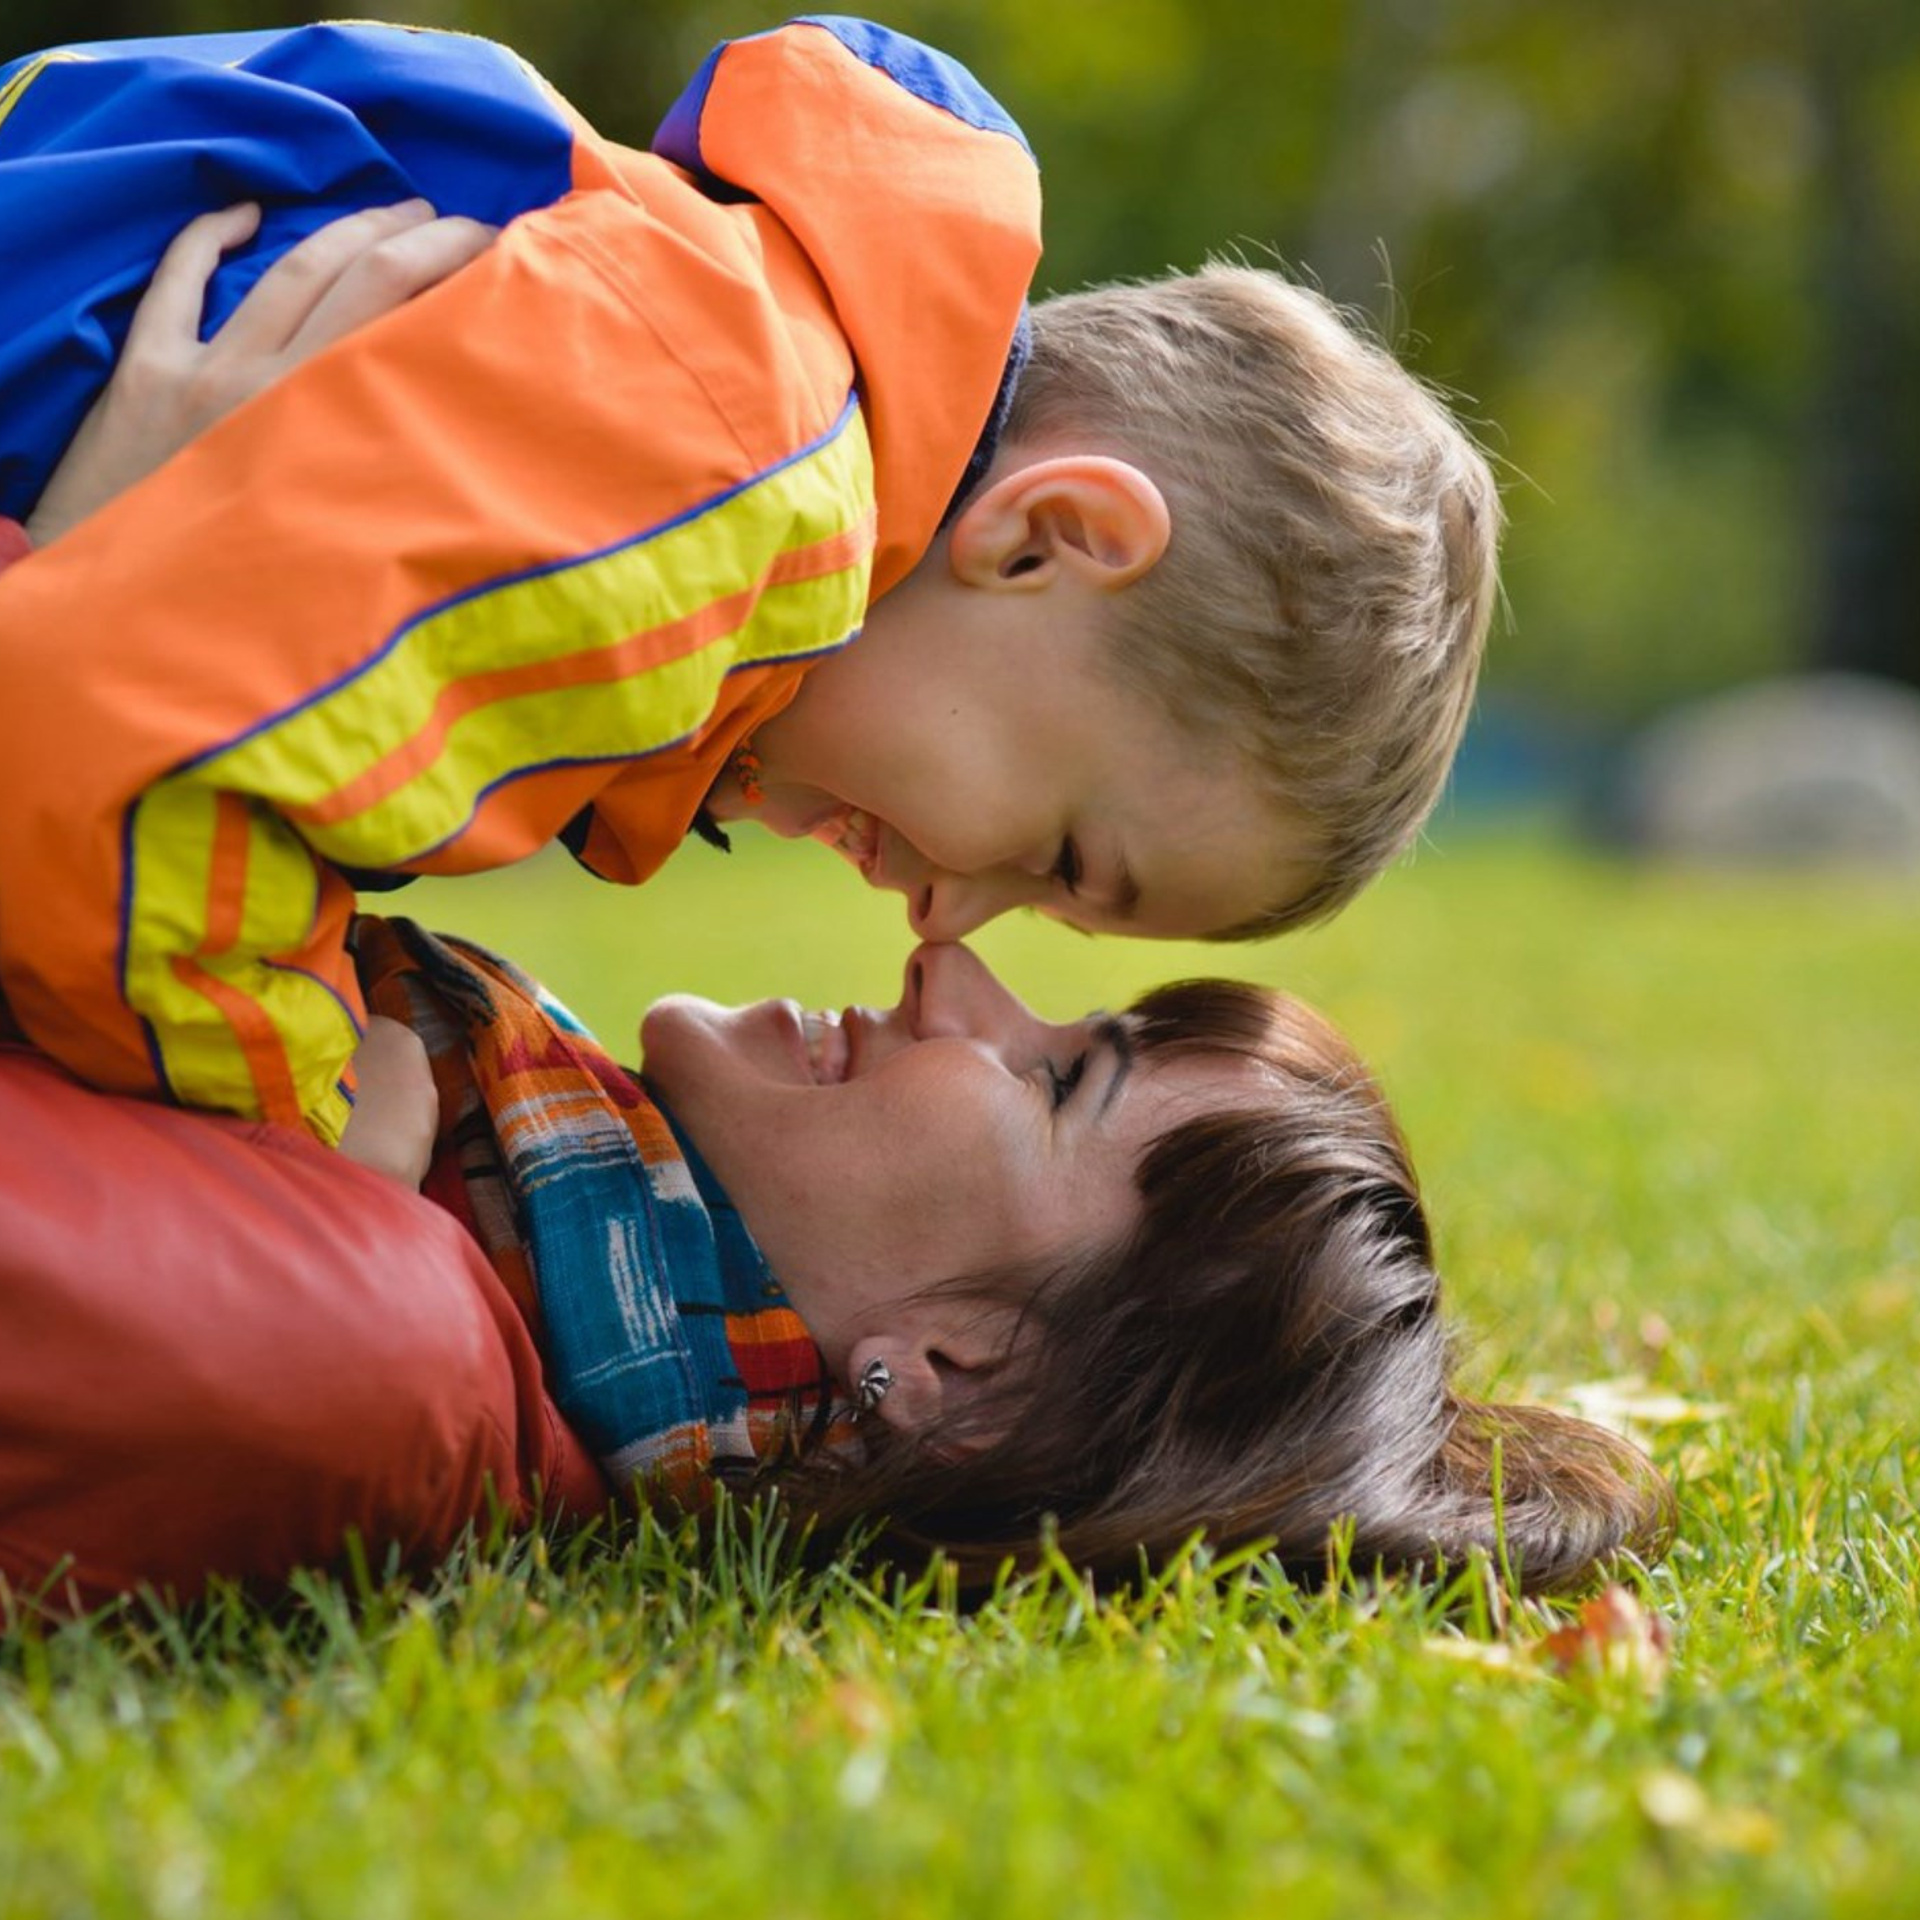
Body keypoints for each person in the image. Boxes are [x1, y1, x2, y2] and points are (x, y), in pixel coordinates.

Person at [0, 20, 1502, 1155]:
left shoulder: (713, 329)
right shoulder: (734, 467)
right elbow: (127, 771)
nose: (944, 929)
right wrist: (302, 1127)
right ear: (1052, 538)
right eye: (1057, 856)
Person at [0, 934, 1668, 1612]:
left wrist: (272, 1207)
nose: (956, 969)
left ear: (949, 1370)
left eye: (1050, 1078)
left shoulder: (365, 1351)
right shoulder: (476, 1162)